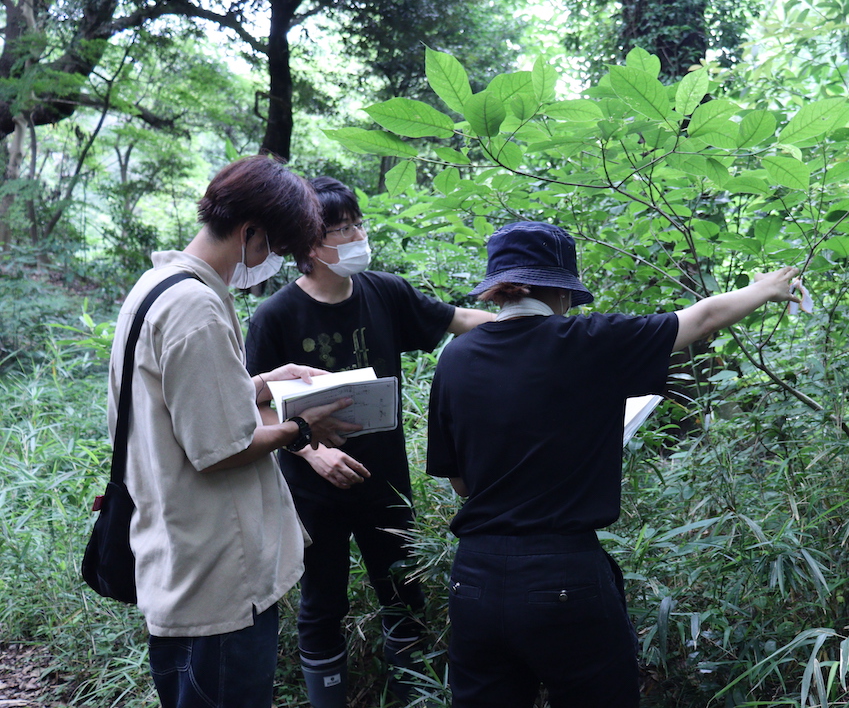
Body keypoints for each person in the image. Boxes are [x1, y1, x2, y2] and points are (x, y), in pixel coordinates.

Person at [425, 221, 806, 708]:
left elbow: (460, 483)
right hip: (563, 575)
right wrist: (764, 289)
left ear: (497, 288)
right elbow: (701, 320)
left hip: (474, 578)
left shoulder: (456, 357)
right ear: (561, 290)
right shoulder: (588, 340)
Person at [108, 155, 361, 708]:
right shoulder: (196, 308)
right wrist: (301, 426)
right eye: (271, 247)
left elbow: (178, 406)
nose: (269, 261)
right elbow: (222, 450)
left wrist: (266, 384)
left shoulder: (156, 288)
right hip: (218, 580)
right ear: (250, 232)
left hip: (180, 558)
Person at [244, 176, 493, 707]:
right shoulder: (275, 316)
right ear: (310, 243)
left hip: (384, 480)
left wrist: (532, 325)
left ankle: (411, 696)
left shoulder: (386, 292)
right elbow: (255, 403)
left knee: (403, 591)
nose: (357, 235)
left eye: (358, 223)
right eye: (342, 229)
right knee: (322, 601)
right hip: (312, 490)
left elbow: (459, 320)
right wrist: (313, 450)